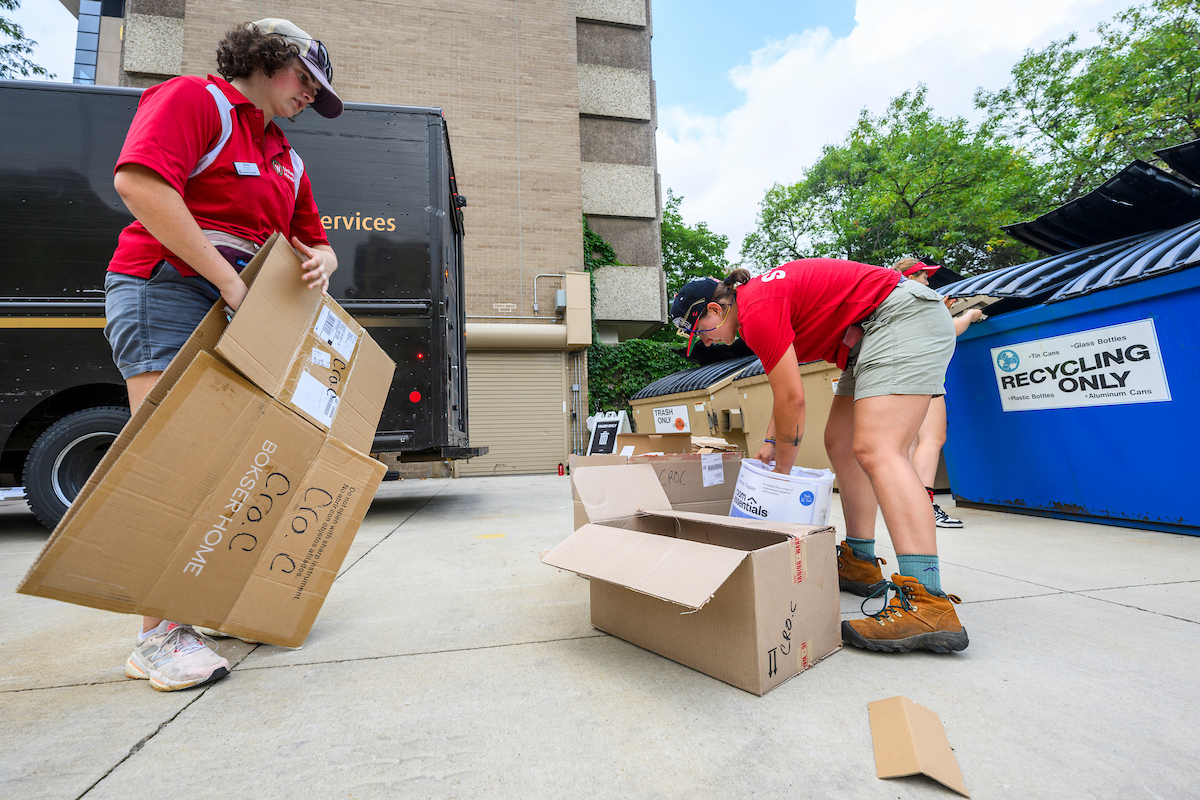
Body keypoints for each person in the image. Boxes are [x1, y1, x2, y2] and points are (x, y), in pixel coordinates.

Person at [103, 19, 343, 690]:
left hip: (238, 307)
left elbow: (315, 240)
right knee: (172, 463)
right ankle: (156, 636)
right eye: (306, 82)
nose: (309, 100)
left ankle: (198, 607)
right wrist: (231, 281)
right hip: (168, 290)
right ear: (270, 61)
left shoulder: (286, 159)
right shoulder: (194, 101)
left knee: (227, 464)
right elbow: (142, 185)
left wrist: (319, 261)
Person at [670, 261, 969, 653]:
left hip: (899, 317)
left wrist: (780, 476)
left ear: (714, 310)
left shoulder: (756, 311)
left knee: (879, 449)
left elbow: (794, 398)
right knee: (842, 444)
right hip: (871, 333)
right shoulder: (757, 302)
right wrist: (771, 441)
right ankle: (861, 561)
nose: (706, 343)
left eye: (702, 334)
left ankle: (928, 601)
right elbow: (785, 393)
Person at [890, 258, 986, 529]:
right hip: (924, 379)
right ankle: (925, 506)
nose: (928, 282)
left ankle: (908, 506)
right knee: (932, 439)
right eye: (924, 276)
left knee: (907, 444)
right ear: (911, 278)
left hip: (898, 380)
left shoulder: (895, 300)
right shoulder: (920, 300)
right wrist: (971, 314)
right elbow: (950, 331)